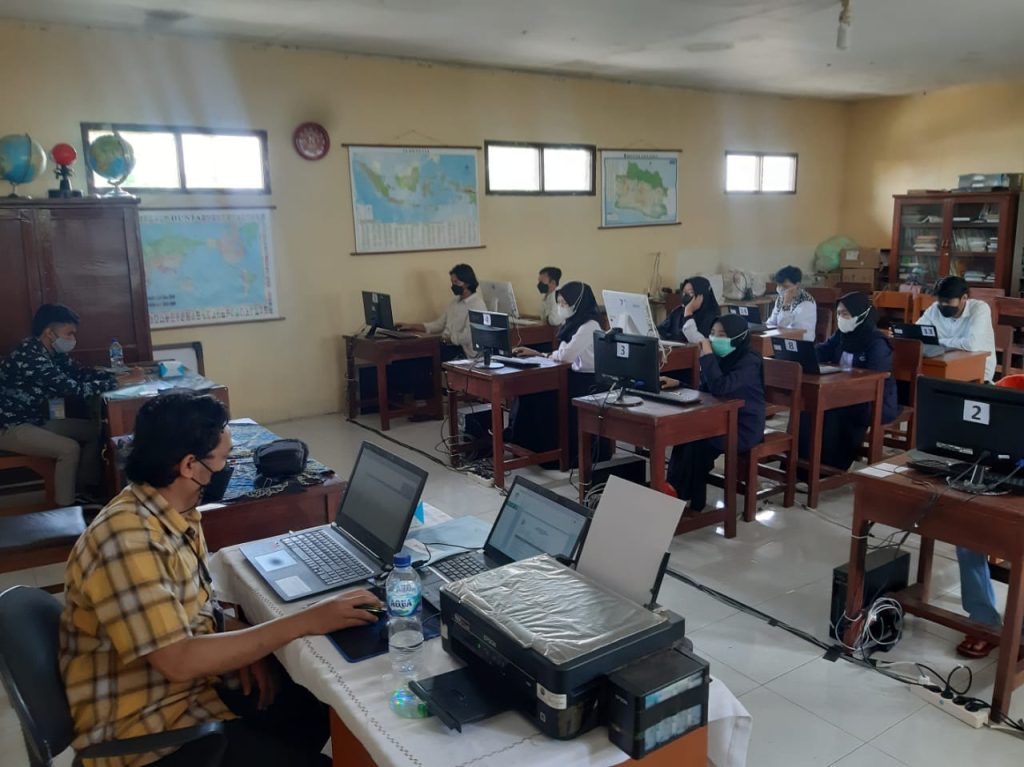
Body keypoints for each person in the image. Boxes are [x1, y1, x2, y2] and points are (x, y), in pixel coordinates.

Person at [60, 392, 381, 767]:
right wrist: (305, 621)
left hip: (191, 688)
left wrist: (243, 639)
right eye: (224, 459)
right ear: (189, 466)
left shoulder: (170, 510)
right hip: (149, 732)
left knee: (313, 699)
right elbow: (178, 661)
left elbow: (191, 607)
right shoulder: (128, 543)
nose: (230, 468)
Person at [0, 304, 140, 506]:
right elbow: (74, 389)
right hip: (10, 426)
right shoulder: (30, 355)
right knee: (68, 449)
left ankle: (83, 490)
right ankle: (65, 509)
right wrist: (119, 382)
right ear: (50, 332)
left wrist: (118, 375)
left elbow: (79, 374)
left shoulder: (52, 351)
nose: (72, 339)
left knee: (94, 431)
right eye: (69, 333)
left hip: (34, 420)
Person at [666, 314, 765, 511]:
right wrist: (679, 384)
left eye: (722, 334)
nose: (714, 338)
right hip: (719, 419)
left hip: (743, 426)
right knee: (686, 436)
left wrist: (707, 356)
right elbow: (707, 389)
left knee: (698, 442)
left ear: (738, 337)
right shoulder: (721, 357)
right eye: (712, 333)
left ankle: (688, 499)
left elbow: (720, 387)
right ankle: (676, 493)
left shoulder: (750, 361)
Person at [509, 282, 612, 467]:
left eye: (564, 303)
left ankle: (551, 454)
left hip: (587, 382)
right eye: (559, 302)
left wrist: (541, 354)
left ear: (577, 303)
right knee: (529, 391)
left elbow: (565, 356)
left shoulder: (590, 325)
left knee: (543, 397)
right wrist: (538, 354)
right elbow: (563, 354)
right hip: (571, 374)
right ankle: (525, 446)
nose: (561, 307)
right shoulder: (573, 322)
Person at [798, 292, 899, 473]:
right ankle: (802, 467)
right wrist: (805, 355)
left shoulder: (877, 342)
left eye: (845, 314)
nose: (840, 318)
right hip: (842, 392)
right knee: (808, 408)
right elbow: (823, 351)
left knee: (832, 413)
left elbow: (877, 378)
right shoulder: (842, 335)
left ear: (860, 314)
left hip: (873, 400)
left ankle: (828, 470)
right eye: (838, 314)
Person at [916, 276, 996, 382]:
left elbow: (971, 344)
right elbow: (916, 334)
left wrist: (938, 341)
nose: (943, 304)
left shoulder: (980, 309)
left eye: (948, 301)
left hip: (977, 370)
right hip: (943, 365)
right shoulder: (935, 309)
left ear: (964, 298)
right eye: (940, 300)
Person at [398, 264, 486, 360]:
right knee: (413, 352)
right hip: (448, 345)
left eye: (456, 282)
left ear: (467, 283)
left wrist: (447, 339)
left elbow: (468, 336)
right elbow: (438, 325)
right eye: (452, 282)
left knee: (423, 358)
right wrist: (411, 326)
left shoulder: (477, 305)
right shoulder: (455, 302)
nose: (453, 286)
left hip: (463, 352)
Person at [659, 277, 720, 343]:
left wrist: (688, 313)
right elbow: (659, 331)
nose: (685, 295)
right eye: (684, 292)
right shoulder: (678, 312)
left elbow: (700, 343)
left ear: (703, 296)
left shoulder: (714, 320)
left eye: (691, 292)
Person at [766, 265, 817, 341]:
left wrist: (786, 303)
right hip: (783, 337)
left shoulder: (806, 302)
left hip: (801, 341)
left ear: (797, 285)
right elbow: (772, 321)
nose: (781, 289)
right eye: (778, 285)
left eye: (785, 286)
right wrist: (762, 327)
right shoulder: (781, 297)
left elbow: (783, 325)